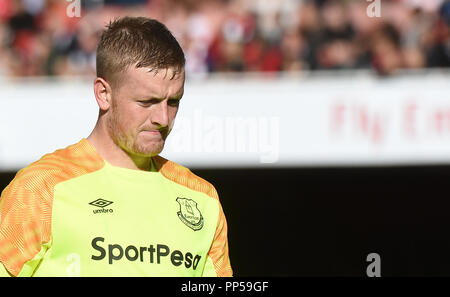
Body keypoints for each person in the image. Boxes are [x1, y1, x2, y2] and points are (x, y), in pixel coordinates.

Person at [0, 16, 232, 277]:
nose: (163, 118)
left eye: (173, 101)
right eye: (147, 101)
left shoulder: (202, 199)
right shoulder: (41, 187)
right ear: (103, 94)